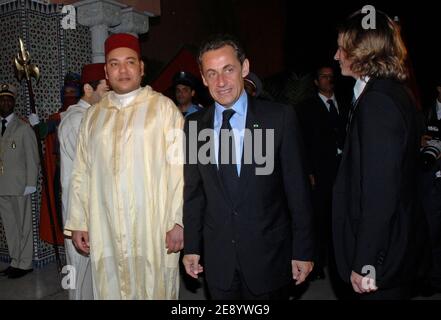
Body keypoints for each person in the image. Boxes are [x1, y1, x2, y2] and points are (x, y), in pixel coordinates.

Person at [182, 34, 314, 300]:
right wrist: (192, 247)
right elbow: (194, 194)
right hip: (219, 263)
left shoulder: (278, 118)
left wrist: (303, 250)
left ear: (244, 68)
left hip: (269, 258)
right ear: (204, 79)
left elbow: (298, 193)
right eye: (212, 73)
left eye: (228, 69)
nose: (221, 82)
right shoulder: (195, 125)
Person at [64, 33, 185, 299]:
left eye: (130, 62)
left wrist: (178, 221)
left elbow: (179, 169)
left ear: (141, 68)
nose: (123, 70)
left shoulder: (164, 110)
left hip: (153, 226)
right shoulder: (93, 117)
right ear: (106, 71)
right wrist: (79, 221)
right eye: (114, 64)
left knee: (154, 287)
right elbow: (81, 171)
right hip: (106, 225)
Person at [332, 10, 426, 299]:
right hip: (393, 251)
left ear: (362, 51)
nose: (336, 56)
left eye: (342, 48)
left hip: (381, 260)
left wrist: (365, 262)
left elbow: (380, 192)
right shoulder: (393, 92)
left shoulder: (378, 103)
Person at [58, 63, 109, 299]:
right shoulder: (75, 121)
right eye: (105, 90)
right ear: (88, 89)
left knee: (96, 279)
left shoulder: (93, 117)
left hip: (96, 212)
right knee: (79, 280)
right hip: (79, 215)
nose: (110, 97)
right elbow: (90, 165)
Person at [295, 66, 348, 282]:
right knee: (319, 217)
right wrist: (308, 170)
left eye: (330, 76)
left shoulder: (345, 102)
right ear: (316, 82)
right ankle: (316, 263)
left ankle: (340, 260)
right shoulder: (305, 108)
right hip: (319, 171)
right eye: (324, 77)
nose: (328, 80)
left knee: (341, 216)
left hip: (343, 168)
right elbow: (301, 142)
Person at [0, 83, 39, 279]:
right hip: (2, 185)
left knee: (23, 225)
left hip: (19, 184)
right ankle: (15, 260)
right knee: (10, 225)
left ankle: (25, 264)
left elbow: (33, 157)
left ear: (14, 103)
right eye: (3, 99)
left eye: (9, 99)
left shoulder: (23, 127)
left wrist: (31, 183)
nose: (6, 102)